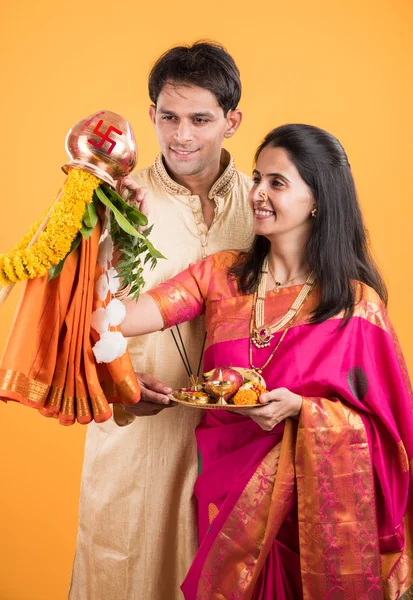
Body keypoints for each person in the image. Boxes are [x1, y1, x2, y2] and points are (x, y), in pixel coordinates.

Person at [121, 123, 413, 599]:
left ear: (317, 199)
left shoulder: (356, 306)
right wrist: (115, 227)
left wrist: (303, 410)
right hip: (230, 502)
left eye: (277, 182)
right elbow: (112, 321)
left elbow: (393, 433)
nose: (256, 192)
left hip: (319, 519)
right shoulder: (220, 277)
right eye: (257, 178)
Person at [69, 42, 253, 600]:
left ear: (232, 120)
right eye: (168, 118)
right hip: (135, 443)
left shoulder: (262, 206)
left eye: (200, 119)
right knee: (128, 578)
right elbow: (73, 321)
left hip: (240, 445)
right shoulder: (116, 204)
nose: (182, 136)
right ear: (150, 115)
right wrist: (116, 387)